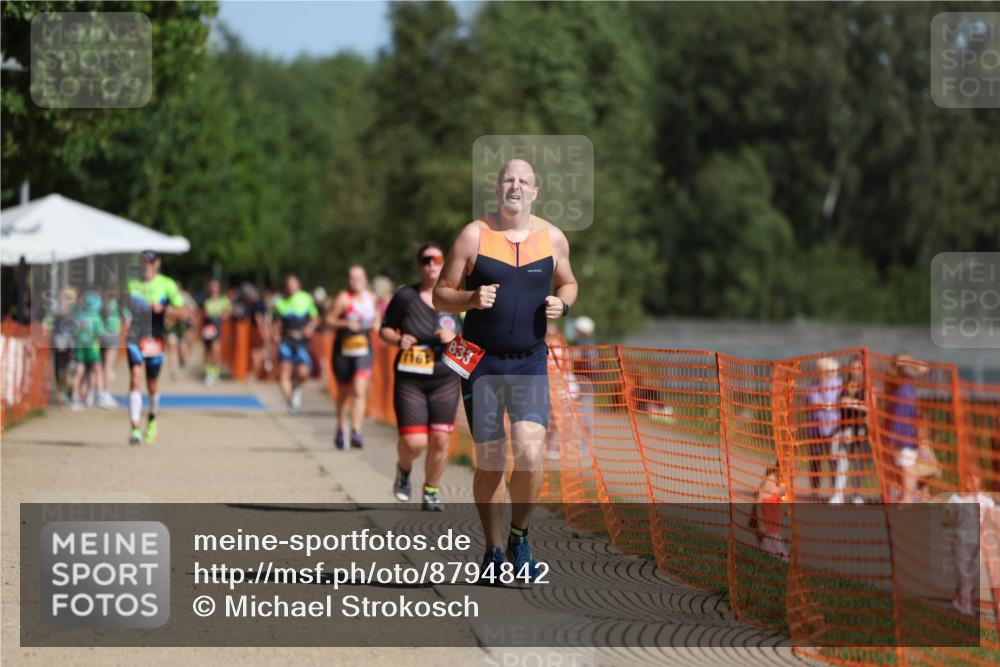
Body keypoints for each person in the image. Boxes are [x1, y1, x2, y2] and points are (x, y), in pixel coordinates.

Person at [433, 158, 578, 582]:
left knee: (532, 452)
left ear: (535, 191)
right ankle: (493, 550)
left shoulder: (553, 238)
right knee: (492, 460)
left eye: (523, 181)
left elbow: (567, 281)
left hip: (530, 361)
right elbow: (442, 295)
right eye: (508, 180)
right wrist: (471, 299)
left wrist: (563, 303)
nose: (515, 186)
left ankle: (521, 537)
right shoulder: (474, 235)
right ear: (498, 190)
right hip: (482, 362)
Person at [381, 244, 462, 510]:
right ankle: (404, 470)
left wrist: (455, 338)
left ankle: (430, 491)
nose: (431, 265)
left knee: (440, 439)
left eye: (437, 259)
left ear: (445, 263)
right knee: (414, 443)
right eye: (425, 260)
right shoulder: (406, 296)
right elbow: (384, 329)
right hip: (411, 378)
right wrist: (398, 338)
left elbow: (474, 335)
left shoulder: (457, 298)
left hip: (445, 377)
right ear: (419, 266)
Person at [125, 251, 188, 445]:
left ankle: (152, 419)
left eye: (151, 262)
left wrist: (167, 310)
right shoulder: (131, 284)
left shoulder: (167, 284)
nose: (147, 265)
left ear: (157, 263)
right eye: (144, 261)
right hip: (135, 337)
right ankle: (135, 428)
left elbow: (184, 312)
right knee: (135, 378)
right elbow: (122, 306)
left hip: (155, 340)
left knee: (152, 384)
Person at [327, 266, 380, 448]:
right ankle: (341, 428)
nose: (354, 281)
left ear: (365, 280)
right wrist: (345, 322)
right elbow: (329, 320)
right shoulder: (343, 298)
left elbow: (378, 318)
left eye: (358, 278)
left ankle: (357, 431)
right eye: (351, 278)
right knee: (343, 392)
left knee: (359, 389)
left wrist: (377, 324)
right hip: (343, 349)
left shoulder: (371, 298)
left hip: (364, 349)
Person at [943, 468, 996, 615]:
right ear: (964, 481)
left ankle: (961, 600)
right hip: (961, 541)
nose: (971, 482)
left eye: (975, 478)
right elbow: (946, 520)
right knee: (965, 573)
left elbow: (992, 522)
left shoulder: (986, 501)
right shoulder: (955, 499)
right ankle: (965, 605)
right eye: (968, 479)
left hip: (980, 542)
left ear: (980, 480)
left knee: (972, 574)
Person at [273, 274, 319, 414]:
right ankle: (291, 402)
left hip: (301, 341)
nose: (291, 288)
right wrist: (275, 335)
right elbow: (276, 322)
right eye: (288, 285)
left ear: (298, 285)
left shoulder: (306, 299)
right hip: (286, 340)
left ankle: (297, 388)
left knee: (303, 372)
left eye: (293, 284)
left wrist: (309, 328)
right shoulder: (280, 302)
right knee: (284, 372)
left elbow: (315, 318)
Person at [885, 354, 929, 503]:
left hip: (904, 438)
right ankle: (907, 496)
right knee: (905, 468)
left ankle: (907, 498)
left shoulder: (904, 390)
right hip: (907, 437)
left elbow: (899, 418)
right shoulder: (906, 387)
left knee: (907, 468)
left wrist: (892, 440)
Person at [805, 357, 842, 500]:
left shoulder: (839, 384)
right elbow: (808, 403)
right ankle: (814, 492)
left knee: (834, 460)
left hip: (834, 428)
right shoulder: (813, 387)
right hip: (815, 428)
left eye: (821, 370)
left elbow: (838, 403)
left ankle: (835, 492)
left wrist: (826, 405)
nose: (819, 373)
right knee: (815, 461)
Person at [838, 355, 868, 504]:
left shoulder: (866, 386)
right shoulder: (846, 385)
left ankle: (857, 494)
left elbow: (869, 406)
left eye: (858, 368)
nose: (855, 371)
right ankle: (839, 493)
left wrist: (854, 403)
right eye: (853, 368)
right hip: (846, 428)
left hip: (861, 429)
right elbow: (841, 402)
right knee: (842, 460)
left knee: (858, 462)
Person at [69, 290, 105, 411]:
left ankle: (75, 397)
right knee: (98, 370)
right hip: (93, 348)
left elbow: (73, 330)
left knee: (79, 372)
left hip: (80, 346)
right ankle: (99, 395)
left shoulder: (79, 316)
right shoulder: (96, 318)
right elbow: (100, 332)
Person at [751, 463, 789, 561]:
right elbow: (758, 503)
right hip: (767, 530)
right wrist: (760, 525)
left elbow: (780, 498)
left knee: (771, 559)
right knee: (783, 559)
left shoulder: (780, 484)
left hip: (773, 529)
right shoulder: (770, 482)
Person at [200, 279, 231, 385]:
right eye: (212, 287)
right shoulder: (206, 301)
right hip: (208, 328)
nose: (213, 289)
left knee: (216, 351)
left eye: (215, 287)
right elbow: (204, 314)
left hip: (218, 328)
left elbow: (228, 312)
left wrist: (223, 314)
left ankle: (216, 373)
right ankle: (209, 373)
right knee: (208, 351)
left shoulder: (224, 300)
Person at [98, 294, 122, 408]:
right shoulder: (116, 303)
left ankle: (97, 393)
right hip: (112, 335)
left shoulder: (98, 300)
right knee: (108, 366)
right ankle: (105, 394)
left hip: (99, 334)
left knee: (98, 366)